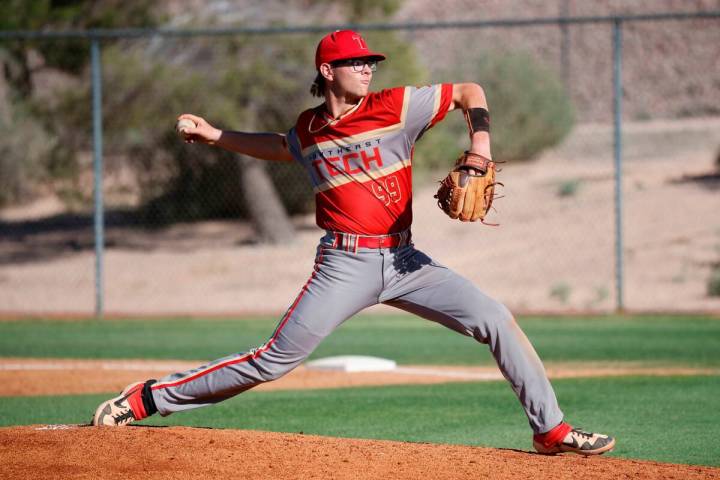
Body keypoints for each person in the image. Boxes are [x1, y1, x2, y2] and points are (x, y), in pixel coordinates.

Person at [92, 30, 615, 456]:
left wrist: (480, 145)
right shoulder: (310, 129)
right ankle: (146, 399)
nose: (368, 69)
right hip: (344, 263)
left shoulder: (396, 107)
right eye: (357, 62)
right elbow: (282, 147)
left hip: (406, 259)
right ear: (328, 72)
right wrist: (217, 136)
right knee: (274, 360)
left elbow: (468, 91)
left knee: (496, 318)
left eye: (371, 62)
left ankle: (551, 431)